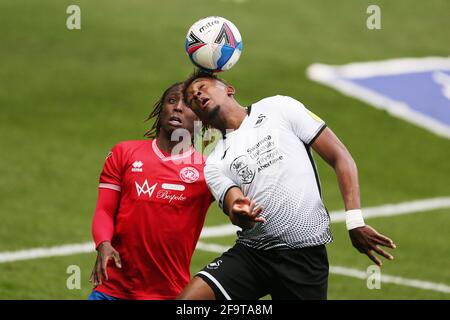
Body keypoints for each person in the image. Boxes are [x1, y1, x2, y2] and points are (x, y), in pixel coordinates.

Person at [177, 70, 396, 300]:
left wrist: (355, 221)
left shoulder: (278, 108)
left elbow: (340, 157)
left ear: (229, 89)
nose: (197, 94)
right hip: (254, 254)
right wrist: (240, 211)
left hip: (304, 259)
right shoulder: (214, 161)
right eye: (192, 98)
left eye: (202, 86)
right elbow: (234, 202)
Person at [88, 82, 213, 300]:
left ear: (201, 120)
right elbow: (104, 211)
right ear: (161, 109)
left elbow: (237, 203)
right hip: (111, 289)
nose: (178, 108)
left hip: (167, 293)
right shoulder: (124, 153)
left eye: (188, 105)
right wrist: (103, 244)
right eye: (172, 101)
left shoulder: (208, 172)